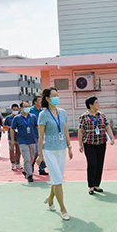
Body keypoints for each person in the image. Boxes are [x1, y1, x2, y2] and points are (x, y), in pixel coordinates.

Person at [36, 88, 73, 220]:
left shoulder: (62, 112)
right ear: (47, 98)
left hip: (61, 149)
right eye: (54, 95)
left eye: (57, 95)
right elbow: (40, 136)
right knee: (58, 180)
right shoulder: (43, 115)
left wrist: (69, 147)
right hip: (49, 150)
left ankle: (50, 199)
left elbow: (66, 131)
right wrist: (40, 155)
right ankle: (63, 209)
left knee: (57, 179)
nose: (57, 97)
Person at [77, 96, 115, 195]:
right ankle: (91, 186)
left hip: (101, 143)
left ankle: (97, 184)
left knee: (99, 163)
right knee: (92, 163)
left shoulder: (101, 115)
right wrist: (80, 144)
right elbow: (80, 131)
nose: (98, 104)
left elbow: (107, 127)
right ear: (90, 105)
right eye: (96, 103)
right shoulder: (84, 117)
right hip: (89, 144)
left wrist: (112, 137)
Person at [11, 101, 39, 182]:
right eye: (25, 106)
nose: (27, 108)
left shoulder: (33, 117)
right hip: (22, 141)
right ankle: (29, 174)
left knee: (32, 158)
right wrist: (12, 140)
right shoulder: (17, 118)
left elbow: (37, 127)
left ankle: (26, 170)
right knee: (26, 158)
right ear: (21, 108)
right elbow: (12, 129)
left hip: (32, 140)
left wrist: (41, 136)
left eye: (28, 106)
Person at [30, 95, 49, 176]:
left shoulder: (42, 111)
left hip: (42, 134)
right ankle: (30, 166)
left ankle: (41, 168)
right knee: (36, 152)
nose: (41, 102)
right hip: (33, 134)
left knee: (43, 151)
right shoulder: (30, 111)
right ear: (35, 102)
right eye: (39, 100)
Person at [3, 103, 22, 170]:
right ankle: (13, 163)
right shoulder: (8, 118)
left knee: (18, 151)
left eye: (16, 110)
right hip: (11, 137)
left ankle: (17, 162)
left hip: (19, 136)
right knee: (11, 150)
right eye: (14, 110)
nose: (15, 111)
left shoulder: (20, 117)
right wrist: (11, 127)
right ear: (11, 110)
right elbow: (4, 126)